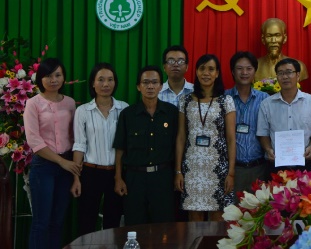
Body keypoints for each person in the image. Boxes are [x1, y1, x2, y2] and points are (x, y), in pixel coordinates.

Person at [23, 58, 81, 249]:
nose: (53, 80)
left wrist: (71, 167)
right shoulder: (33, 103)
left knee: (57, 222)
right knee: (41, 223)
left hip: (67, 166)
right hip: (44, 166)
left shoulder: (70, 103)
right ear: (41, 78)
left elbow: (75, 137)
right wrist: (61, 162)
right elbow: (34, 141)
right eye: (48, 76)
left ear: (63, 78)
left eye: (58, 75)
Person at [113, 65, 178, 226]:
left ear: (161, 86)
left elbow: (178, 146)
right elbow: (120, 149)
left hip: (163, 177)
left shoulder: (171, 113)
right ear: (138, 86)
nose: (150, 86)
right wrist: (118, 178)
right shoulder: (128, 114)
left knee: (164, 225)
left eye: (154, 82)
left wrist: (177, 173)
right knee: (134, 224)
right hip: (135, 178)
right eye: (146, 82)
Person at [174, 54, 236, 221]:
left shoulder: (226, 101)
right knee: (194, 220)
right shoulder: (185, 100)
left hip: (218, 168)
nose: (206, 73)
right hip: (192, 168)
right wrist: (178, 171)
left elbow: (231, 139)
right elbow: (181, 137)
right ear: (196, 72)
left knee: (218, 220)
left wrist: (231, 173)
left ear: (217, 73)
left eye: (211, 69)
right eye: (202, 69)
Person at [71, 63, 128, 235]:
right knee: (86, 222)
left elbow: (126, 145)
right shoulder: (83, 111)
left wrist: (120, 176)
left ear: (115, 83)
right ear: (93, 83)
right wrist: (76, 178)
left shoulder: (124, 109)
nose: (105, 84)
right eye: (101, 80)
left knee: (113, 223)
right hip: (90, 173)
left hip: (116, 173)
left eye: (110, 80)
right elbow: (79, 145)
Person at [256, 58, 311, 173]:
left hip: (305, 164)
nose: (285, 77)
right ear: (277, 77)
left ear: (298, 75)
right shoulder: (266, 104)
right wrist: (268, 149)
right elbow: (263, 133)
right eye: (280, 73)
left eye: (289, 72)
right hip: (276, 164)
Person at [224, 51, 269, 199]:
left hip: (259, 168)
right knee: (231, 211)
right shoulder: (224, 98)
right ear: (232, 71)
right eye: (239, 68)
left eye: (249, 68)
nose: (244, 73)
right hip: (232, 170)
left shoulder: (265, 99)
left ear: (255, 71)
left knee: (259, 211)